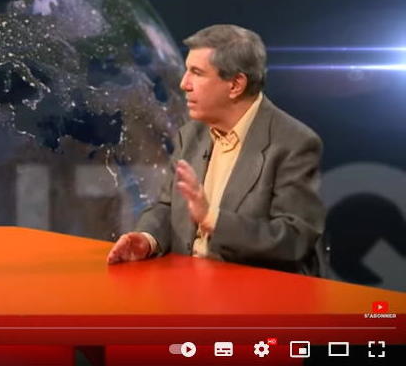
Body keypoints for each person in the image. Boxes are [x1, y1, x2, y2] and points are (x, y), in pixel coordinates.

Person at [107, 24, 326, 275]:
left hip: (253, 290)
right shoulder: (190, 135)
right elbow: (168, 207)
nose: (184, 84)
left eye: (197, 73)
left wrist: (212, 219)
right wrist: (147, 239)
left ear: (235, 85)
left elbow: (294, 239)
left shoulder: (294, 144)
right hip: (186, 283)